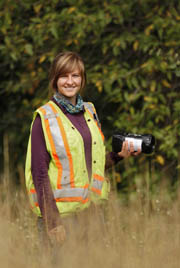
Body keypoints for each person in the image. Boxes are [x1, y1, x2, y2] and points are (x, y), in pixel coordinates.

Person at [25, 51, 141, 247]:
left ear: (82, 79)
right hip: (61, 220)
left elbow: (89, 163)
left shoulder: (89, 111)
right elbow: (39, 173)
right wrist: (53, 222)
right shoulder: (44, 117)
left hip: (93, 216)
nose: (70, 82)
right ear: (55, 80)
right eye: (64, 76)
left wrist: (117, 156)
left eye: (75, 76)